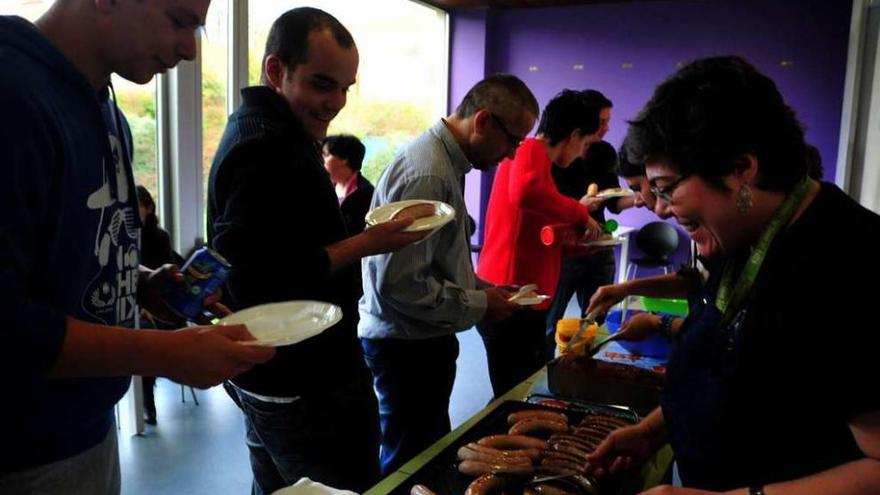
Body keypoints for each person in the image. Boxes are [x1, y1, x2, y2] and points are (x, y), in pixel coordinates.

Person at [0, 2, 275, 493]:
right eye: (179, 20)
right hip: (24, 456)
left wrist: (144, 283)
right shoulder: (13, 93)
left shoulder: (105, 107)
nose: (190, 49)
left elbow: (70, 256)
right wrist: (162, 354)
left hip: (88, 431)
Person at [588, 56, 880, 494]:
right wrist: (652, 432)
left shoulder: (851, 263)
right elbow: (724, 362)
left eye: (667, 188)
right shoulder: (739, 234)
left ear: (741, 168)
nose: (661, 208)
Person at [206, 8, 423, 494]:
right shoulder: (261, 146)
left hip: (282, 375)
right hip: (300, 383)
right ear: (276, 70)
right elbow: (256, 275)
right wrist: (369, 242)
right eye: (323, 85)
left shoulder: (280, 131)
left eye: (346, 88)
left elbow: (279, 246)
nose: (336, 103)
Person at [359, 74, 535, 475]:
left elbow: (437, 258)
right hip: (407, 346)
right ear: (483, 121)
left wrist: (484, 289)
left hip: (419, 341)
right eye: (514, 141)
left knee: (427, 450)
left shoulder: (445, 163)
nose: (511, 155)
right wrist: (479, 304)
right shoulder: (431, 173)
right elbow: (400, 284)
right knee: (410, 463)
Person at [475, 89, 603, 397]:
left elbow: (535, 230)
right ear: (574, 135)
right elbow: (525, 193)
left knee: (522, 386)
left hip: (525, 296)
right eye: (585, 143)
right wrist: (580, 212)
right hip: (513, 296)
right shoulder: (531, 149)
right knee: (515, 391)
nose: (582, 153)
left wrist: (575, 241)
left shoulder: (540, 164)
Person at [136, 185, 184, 426]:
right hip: (138, 307)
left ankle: (147, 401)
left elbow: (167, 280)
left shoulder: (160, 236)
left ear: (149, 208)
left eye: (138, 207)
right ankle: (146, 401)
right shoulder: (125, 237)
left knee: (148, 332)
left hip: (159, 302)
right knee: (144, 330)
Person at [323, 134, 374, 236]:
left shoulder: (366, 193)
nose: (321, 159)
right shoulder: (326, 186)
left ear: (344, 159)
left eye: (326, 155)